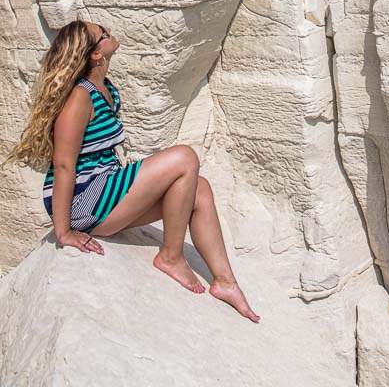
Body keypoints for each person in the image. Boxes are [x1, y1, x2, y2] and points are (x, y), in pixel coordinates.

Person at [4, 19, 260, 322]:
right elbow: (63, 165)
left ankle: (225, 282)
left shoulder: (105, 88)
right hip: (83, 199)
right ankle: (170, 257)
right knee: (185, 158)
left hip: (103, 187)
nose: (109, 30)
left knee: (199, 189)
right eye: (103, 33)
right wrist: (63, 231)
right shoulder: (79, 97)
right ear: (96, 55)